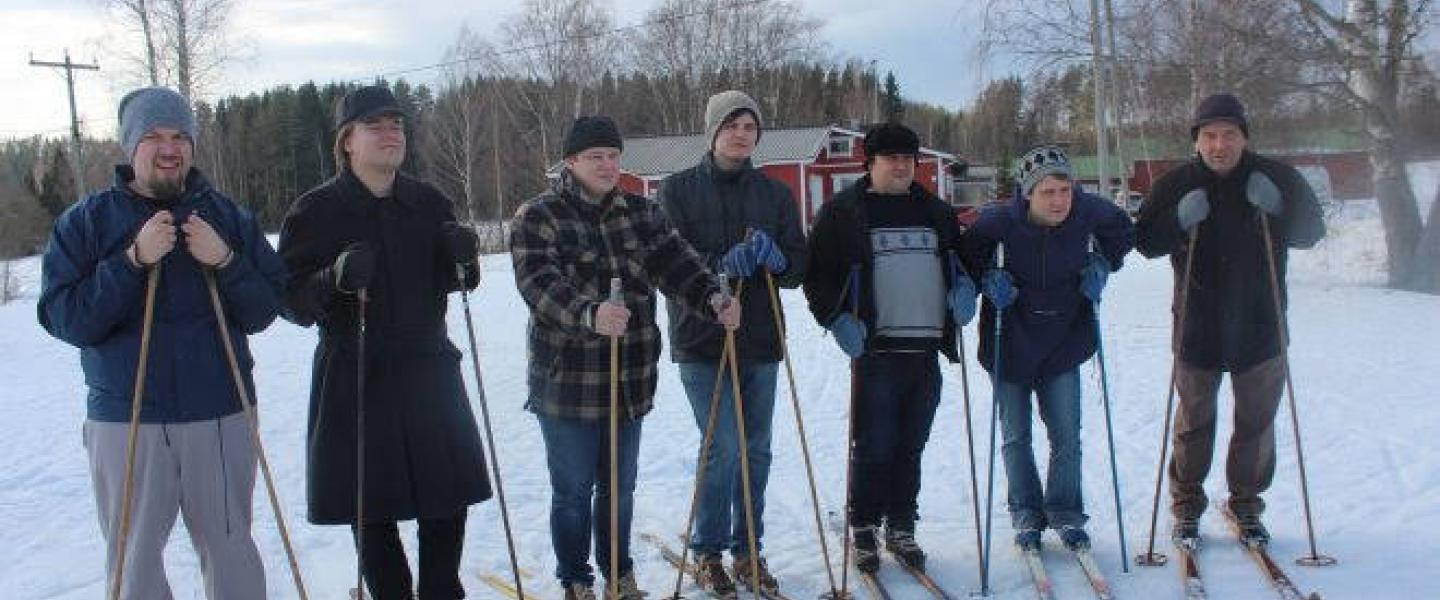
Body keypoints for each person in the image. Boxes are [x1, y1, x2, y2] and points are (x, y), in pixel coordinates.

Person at [38, 86, 282, 599]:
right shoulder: (85, 222)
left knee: (231, 550)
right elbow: (66, 318)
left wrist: (226, 263)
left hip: (220, 412)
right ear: (129, 146)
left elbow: (264, 309)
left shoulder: (228, 217)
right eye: (153, 136)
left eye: (179, 136)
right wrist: (130, 263)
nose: (169, 148)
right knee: (134, 560)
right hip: (125, 419)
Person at [510, 115, 741, 600]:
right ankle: (576, 578)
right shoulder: (539, 215)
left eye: (613, 156)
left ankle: (619, 571)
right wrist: (588, 314)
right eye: (595, 156)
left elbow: (677, 264)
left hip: (628, 379)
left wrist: (712, 299)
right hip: (567, 381)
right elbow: (538, 284)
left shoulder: (641, 212)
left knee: (618, 489)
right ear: (570, 162)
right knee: (572, 493)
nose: (607, 165)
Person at [278, 85, 492, 600]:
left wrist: (466, 262)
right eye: (375, 125)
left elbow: (457, 281)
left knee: (446, 502)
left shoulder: (428, 202)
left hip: (428, 369)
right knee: (372, 512)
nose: (390, 133)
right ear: (346, 141)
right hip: (356, 373)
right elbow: (289, 301)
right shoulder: (315, 212)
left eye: (396, 123)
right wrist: (333, 279)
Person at [1135, 92, 1325, 547]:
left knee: (1256, 424)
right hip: (1197, 326)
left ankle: (1246, 505)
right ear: (1196, 140)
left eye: (1229, 135)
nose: (1219, 145)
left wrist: (1280, 207)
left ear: (1244, 137)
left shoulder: (1277, 178)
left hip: (1262, 327)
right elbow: (1145, 241)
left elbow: (1311, 233)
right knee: (1194, 422)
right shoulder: (1174, 184)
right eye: (1209, 136)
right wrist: (1178, 219)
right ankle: (1185, 506)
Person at [802, 122, 977, 573]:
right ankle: (863, 525)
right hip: (876, 350)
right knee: (875, 444)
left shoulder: (936, 212)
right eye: (891, 158)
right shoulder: (844, 212)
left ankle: (901, 523)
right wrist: (835, 318)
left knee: (911, 444)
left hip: (924, 349)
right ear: (870, 162)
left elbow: (961, 263)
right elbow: (817, 277)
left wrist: (965, 291)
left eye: (908, 159)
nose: (901, 166)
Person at [655, 90, 808, 594]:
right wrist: (721, 262)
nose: (741, 134)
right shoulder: (676, 191)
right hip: (701, 338)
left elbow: (797, 265)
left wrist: (779, 260)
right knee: (722, 448)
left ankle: (748, 550)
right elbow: (667, 261)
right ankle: (708, 551)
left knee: (757, 450)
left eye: (750, 126)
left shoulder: (774, 193)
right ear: (712, 132)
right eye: (731, 125)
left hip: (761, 337)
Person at [962, 145, 1134, 551]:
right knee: (1015, 436)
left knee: (1066, 435)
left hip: (1064, 340)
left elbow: (1124, 233)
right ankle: (1026, 514)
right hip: (1011, 341)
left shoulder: (1090, 213)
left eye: (1064, 190)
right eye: (1047, 192)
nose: (1058, 200)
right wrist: (988, 278)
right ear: (1027, 193)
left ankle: (1066, 512)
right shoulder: (997, 222)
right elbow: (965, 255)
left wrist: (1103, 265)